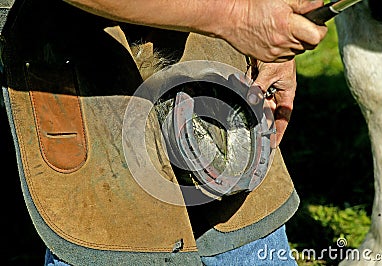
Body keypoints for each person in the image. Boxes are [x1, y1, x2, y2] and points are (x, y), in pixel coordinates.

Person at [0, 0, 327, 265]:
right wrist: (233, 15)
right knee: (117, 244)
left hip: (210, 50)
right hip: (79, 65)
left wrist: (276, 22)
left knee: (246, 235)